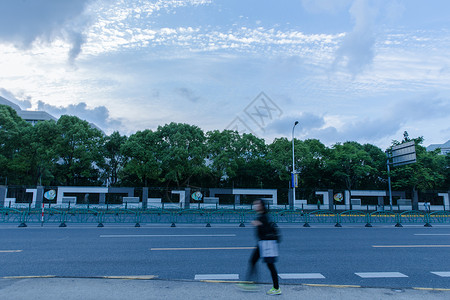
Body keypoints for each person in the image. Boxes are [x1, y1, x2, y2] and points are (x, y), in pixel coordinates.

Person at [238, 199, 281, 295]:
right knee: (253, 261)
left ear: (261, 206)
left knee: (270, 265)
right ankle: (251, 283)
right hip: (262, 243)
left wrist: (259, 224)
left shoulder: (263, 217)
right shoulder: (261, 216)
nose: (255, 206)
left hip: (267, 244)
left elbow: (267, 230)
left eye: (257, 204)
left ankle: (276, 288)